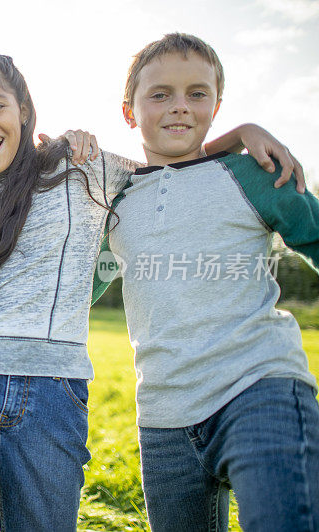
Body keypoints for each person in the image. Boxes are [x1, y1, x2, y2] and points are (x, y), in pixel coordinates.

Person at [0, 54, 306, 532]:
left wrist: (241, 134)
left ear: (23, 108)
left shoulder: (84, 168)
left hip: (53, 387)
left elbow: (172, 157)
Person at [95, 33, 319, 531]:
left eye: (197, 94)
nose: (179, 108)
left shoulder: (254, 173)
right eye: (160, 94)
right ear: (129, 111)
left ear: (216, 105)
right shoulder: (114, 200)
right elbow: (75, 287)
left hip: (260, 387)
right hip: (163, 415)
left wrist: (244, 133)